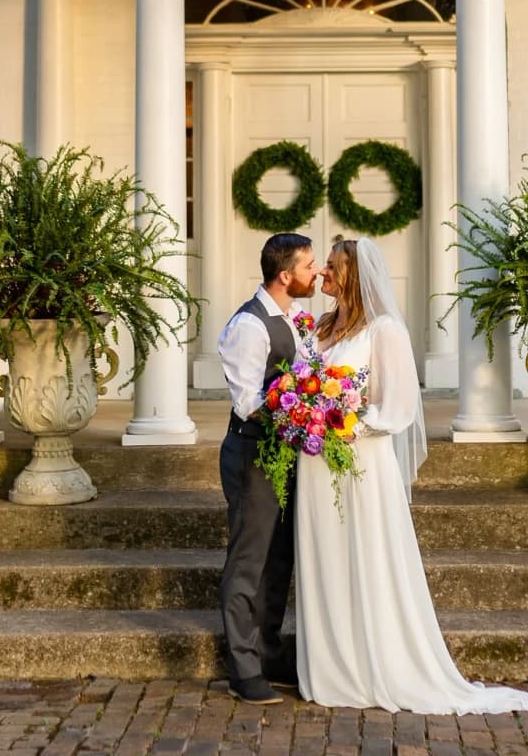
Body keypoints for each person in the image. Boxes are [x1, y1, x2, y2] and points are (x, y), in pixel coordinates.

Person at [294, 237, 528, 713]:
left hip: (361, 463)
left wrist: (346, 423)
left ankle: (377, 666)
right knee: (325, 558)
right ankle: (332, 669)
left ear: (351, 274)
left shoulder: (385, 330)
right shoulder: (323, 326)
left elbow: (400, 405)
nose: (322, 273)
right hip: (315, 464)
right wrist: (308, 414)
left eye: (330, 266)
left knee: (367, 558)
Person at [216, 231, 319, 704]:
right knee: (248, 562)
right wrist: (304, 410)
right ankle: (242, 668)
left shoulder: (294, 318)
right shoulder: (249, 326)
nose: (315, 272)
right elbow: (247, 404)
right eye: (308, 266)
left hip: (285, 454)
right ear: (285, 275)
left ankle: (269, 651)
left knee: (280, 560)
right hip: (253, 455)